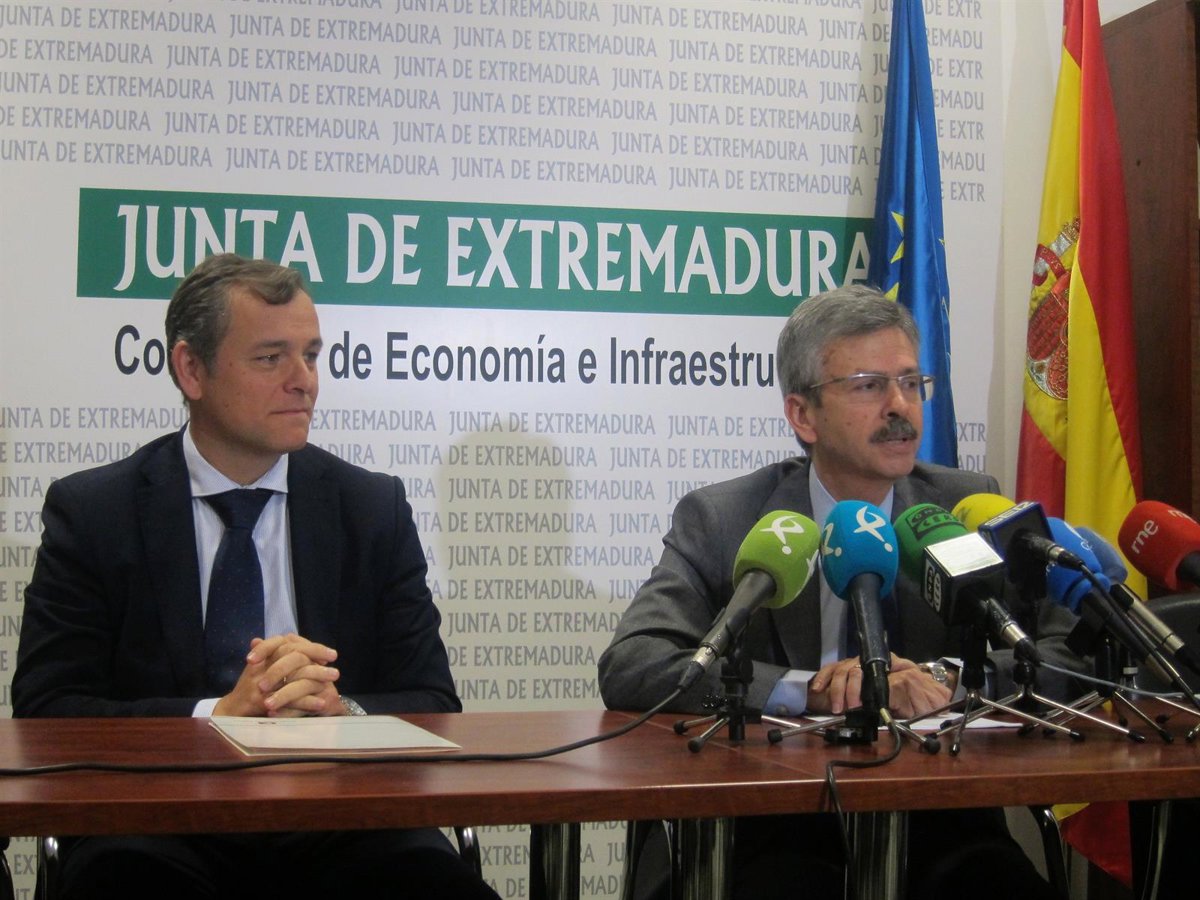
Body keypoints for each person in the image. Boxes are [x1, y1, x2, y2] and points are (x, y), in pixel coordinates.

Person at [13, 254, 500, 900]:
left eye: (311, 355)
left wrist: (342, 713)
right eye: (271, 358)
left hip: (343, 821)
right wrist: (216, 718)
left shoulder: (370, 508)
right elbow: (47, 712)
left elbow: (433, 703)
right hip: (158, 822)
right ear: (192, 370)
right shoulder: (97, 512)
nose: (305, 382)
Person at [598, 284, 1087, 900]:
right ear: (803, 415)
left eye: (911, 383)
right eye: (868, 386)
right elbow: (634, 664)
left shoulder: (961, 508)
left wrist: (949, 679)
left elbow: (1072, 651)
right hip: (770, 823)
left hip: (937, 822)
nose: (900, 406)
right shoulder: (727, 519)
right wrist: (809, 690)